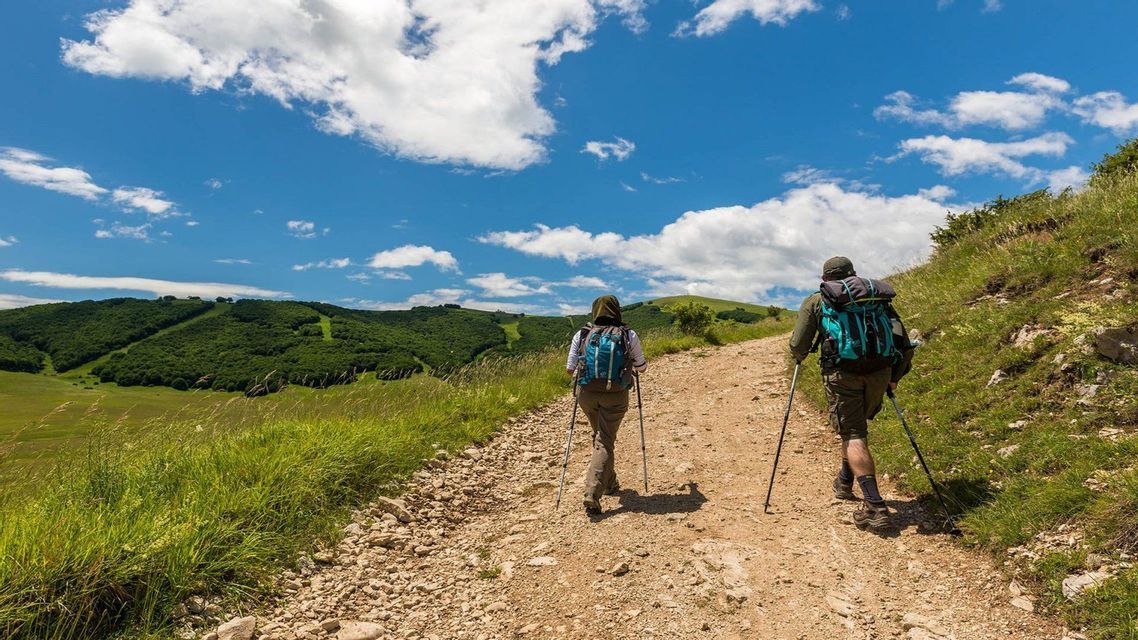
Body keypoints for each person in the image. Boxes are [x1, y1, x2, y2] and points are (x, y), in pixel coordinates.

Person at [789, 257, 913, 531]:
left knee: (853, 433)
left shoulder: (817, 301)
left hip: (842, 374)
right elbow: (902, 340)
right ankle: (845, 481)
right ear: (853, 275)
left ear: (825, 280)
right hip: (880, 371)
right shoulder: (877, 299)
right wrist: (894, 377)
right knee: (857, 427)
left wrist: (798, 355)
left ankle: (874, 505)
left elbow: (799, 344)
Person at [566, 295, 648, 513]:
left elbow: (569, 368)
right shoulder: (628, 334)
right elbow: (641, 367)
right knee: (604, 440)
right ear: (616, 310)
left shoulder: (582, 333)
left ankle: (610, 483)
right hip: (615, 395)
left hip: (586, 394)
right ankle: (592, 492)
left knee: (600, 437)